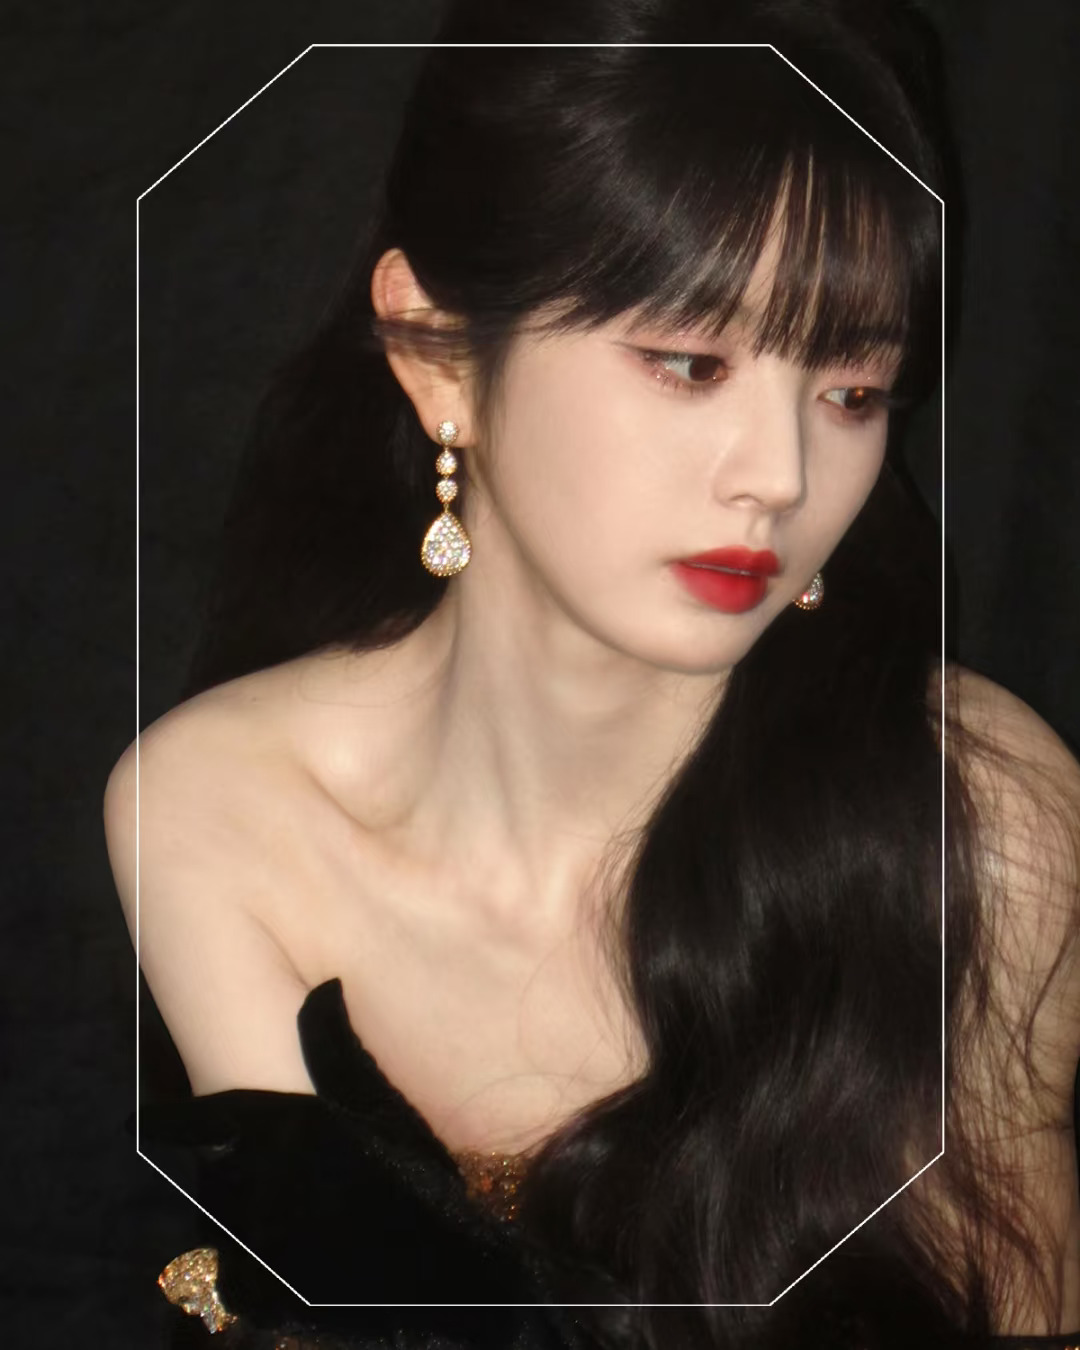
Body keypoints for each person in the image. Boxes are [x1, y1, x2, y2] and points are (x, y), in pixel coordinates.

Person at [104, 0, 1080, 1346]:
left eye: (853, 393)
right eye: (689, 362)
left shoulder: (979, 818)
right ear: (438, 352)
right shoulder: (222, 814)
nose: (782, 474)